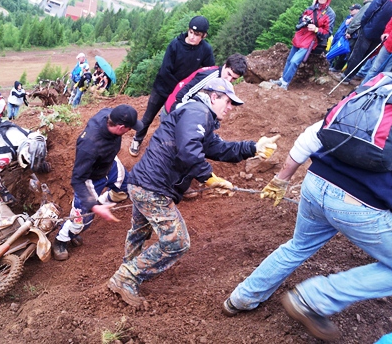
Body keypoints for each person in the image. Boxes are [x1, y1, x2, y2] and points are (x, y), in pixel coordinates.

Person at [108, 78, 281, 307]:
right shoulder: (198, 111)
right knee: (177, 242)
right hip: (153, 188)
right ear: (213, 97)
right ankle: (126, 277)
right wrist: (209, 178)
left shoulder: (200, 118)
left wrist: (253, 148)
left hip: (142, 183)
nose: (230, 108)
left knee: (139, 232)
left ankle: (127, 271)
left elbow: (219, 148)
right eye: (228, 102)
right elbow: (189, 149)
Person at [222, 120, 392, 341]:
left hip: (316, 181)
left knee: (298, 245)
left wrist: (281, 179)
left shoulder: (369, 97)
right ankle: (316, 297)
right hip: (360, 204)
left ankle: (241, 298)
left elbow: (311, 135)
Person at [52, 105, 143, 261]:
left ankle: (101, 202)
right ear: (121, 127)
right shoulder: (89, 145)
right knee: (81, 220)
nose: (131, 130)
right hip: (90, 179)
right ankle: (61, 240)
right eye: (130, 128)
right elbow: (77, 179)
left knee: (126, 189)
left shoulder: (108, 115)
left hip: (110, 164)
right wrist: (93, 206)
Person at [129, 15, 215, 157]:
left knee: (172, 122)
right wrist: (178, 88)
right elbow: (165, 70)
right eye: (191, 32)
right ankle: (137, 139)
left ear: (204, 36)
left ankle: (161, 149)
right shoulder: (175, 44)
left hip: (183, 94)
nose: (192, 37)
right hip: (163, 87)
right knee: (148, 117)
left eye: (197, 34)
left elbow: (208, 70)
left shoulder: (205, 49)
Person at [0, 119, 51, 215]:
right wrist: (4, 193)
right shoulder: (5, 156)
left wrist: (40, 163)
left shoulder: (34, 137)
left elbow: (37, 150)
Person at [271, 0, 335, 91]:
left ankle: (285, 83)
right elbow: (301, 18)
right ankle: (282, 80)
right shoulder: (311, 8)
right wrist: (303, 19)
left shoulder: (330, 14)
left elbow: (328, 32)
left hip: (310, 40)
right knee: (289, 60)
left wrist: (316, 29)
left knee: (295, 61)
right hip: (300, 37)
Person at [337, 0, 391, 84]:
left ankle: (346, 76)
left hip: (370, 29)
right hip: (383, 35)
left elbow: (372, 8)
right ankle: (350, 76)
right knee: (366, 57)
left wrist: (364, 23)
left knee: (358, 54)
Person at [163, 53, 248, 115]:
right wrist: (185, 117)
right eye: (229, 74)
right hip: (173, 109)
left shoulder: (221, 81)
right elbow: (182, 95)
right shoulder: (210, 77)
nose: (229, 79)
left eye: (234, 78)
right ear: (225, 65)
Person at [328, 4, 361, 72]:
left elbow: (355, 32)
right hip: (339, 37)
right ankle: (330, 66)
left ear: (358, 10)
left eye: (352, 9)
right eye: (350, 9)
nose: (350, 10)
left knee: (343, 55)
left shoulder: (358, 20)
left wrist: (347, 24)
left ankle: (337, 68)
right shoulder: (349, 17)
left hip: (347, 40)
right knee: (332, 53)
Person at [361, 16, 392, 85]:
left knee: (385, 75)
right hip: (388, 44)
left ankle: (374, 92)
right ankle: (363, 87)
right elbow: (391, 23)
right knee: (374, 69)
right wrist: (386, 32)